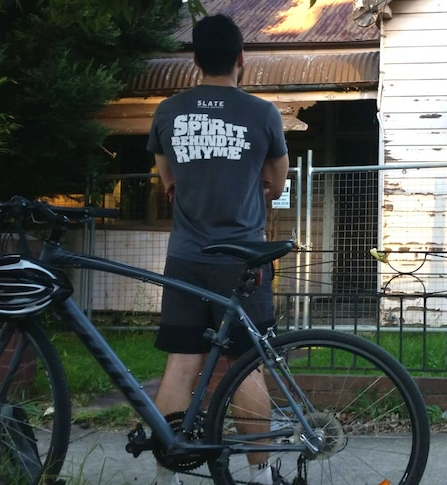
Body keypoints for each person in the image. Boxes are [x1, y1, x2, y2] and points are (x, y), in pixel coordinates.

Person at [145, 13, 290, 485]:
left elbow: (166, 180)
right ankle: (261, 476)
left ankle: (167, 476)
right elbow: (276, 179)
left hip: (186, 257)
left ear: (194, 61)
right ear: (241, 59)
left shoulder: (168, 112)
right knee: (246, 365)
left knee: (182, 362)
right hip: (242, 258)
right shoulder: (262, 113)